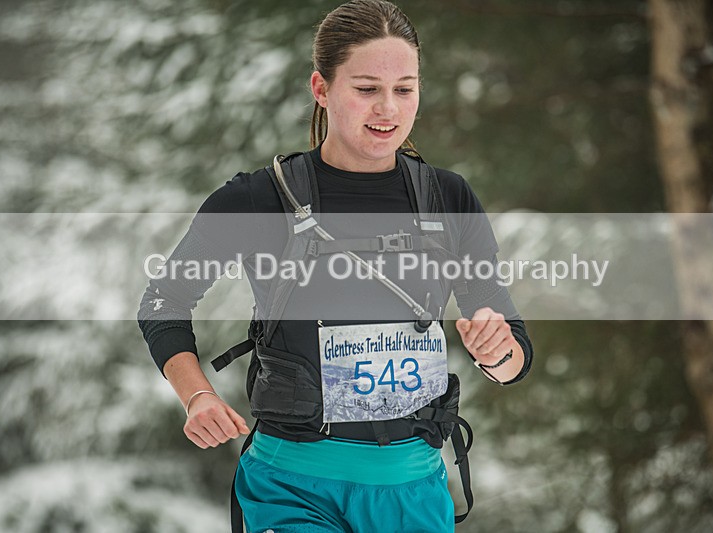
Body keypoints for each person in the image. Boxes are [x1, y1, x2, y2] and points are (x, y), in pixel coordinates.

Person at [137, 1, 532, 531]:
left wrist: (496, 349)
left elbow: (512, 351)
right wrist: (198, 395)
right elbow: (164, 301)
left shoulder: (448, 198)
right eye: (367, 89)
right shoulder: (260, 199)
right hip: (291, 486)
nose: (387, 109)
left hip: (411, 491)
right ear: (321, 89)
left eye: (405, 89)